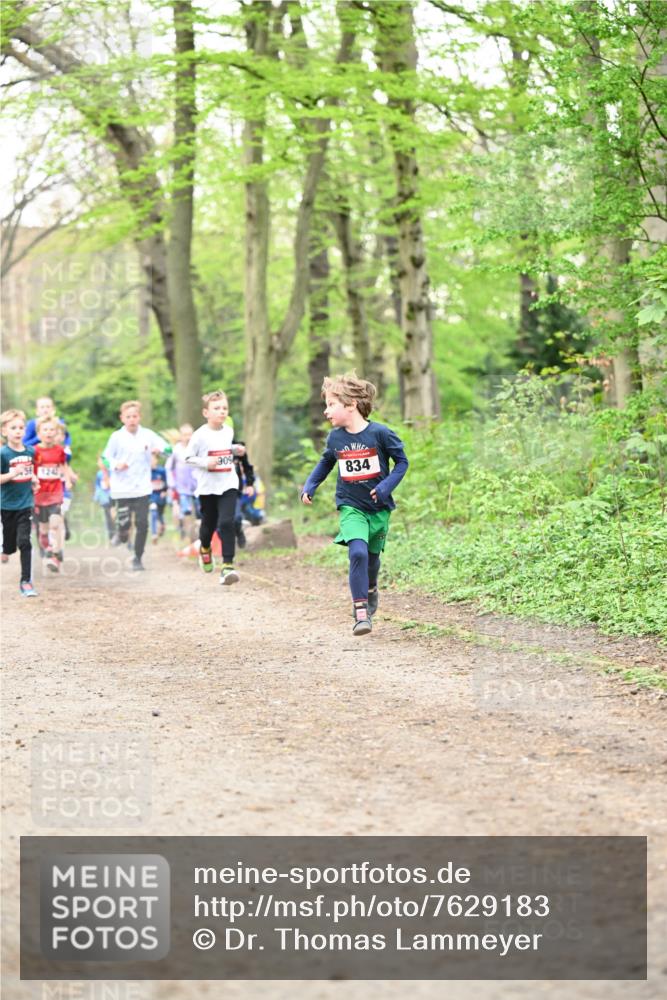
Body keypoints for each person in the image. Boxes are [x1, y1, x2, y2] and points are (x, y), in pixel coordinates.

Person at [301, 373, 408, 636]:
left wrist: (384, 487)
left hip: (378, 509)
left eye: (330, 405)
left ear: (350, 405)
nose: (326, 411)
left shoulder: (381, 433)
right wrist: (310, 485)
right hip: (351, 507)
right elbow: (327, 461)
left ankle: (371, 588)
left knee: (371, 559)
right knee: (357, 553)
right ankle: (361, 612)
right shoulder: (335, 439)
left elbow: (402, 463)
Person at [102, 401, 170, 571]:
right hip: (122, 488)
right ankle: (122, 533)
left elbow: (168, 449)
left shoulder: (148, 435)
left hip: (142, 488)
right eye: (128, 417)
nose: (131, 419)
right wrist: (116, 464)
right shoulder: (116, 437)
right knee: (124, 525)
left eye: (134, 416)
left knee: (142, 524)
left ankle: (138, 557)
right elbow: (105, 458)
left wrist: (159, 451)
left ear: (139, 417)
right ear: (122, 418)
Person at [185, 389, 241, 585]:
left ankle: (227, 566)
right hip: (207, 487)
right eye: (217, 408)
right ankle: (205, 549)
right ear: (206, 413)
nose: (222, 412)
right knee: (208, 526)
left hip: (228, 483)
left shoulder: (229, 430)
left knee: (227, 522)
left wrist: (235, 449)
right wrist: (205, 463)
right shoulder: (199, 435)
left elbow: (225, 449)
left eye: (225, 408)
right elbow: (188, 458)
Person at [0, 409, 39, 596]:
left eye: (21, 427)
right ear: (4, 431)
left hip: (25, 504)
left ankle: (26, 581)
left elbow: (30, 472)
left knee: (25, 541)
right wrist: (12, 474)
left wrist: (34, 480)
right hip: (7, 505)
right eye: (13, 427)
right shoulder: (3, 453)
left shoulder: (31, 451)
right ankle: (5, 548)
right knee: (10, 545)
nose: (18, 431)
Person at [33, 415, 73, 572]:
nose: (49, 433)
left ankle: (54, 555)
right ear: (39, 433)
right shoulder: (34, 451)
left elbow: (63, 466)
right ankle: (48, 547)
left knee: (55, 524)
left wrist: (68, 480)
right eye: (45, 430)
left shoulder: (60, 451)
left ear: (56, 433)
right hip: (39, 495)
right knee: (43, 529)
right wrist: (34, 478)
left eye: (52, 430)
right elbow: (31, 469)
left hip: (56, 494)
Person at [165, 423, 199, 539]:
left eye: (190, 434)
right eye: (185, 435)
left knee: (200, 510)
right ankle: (186, 533)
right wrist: (171, 484)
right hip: (182, 486)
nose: (188, 437)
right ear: (180, 436)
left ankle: (200, 534)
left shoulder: (197, 448)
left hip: (197, 485)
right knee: (186, 511)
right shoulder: (176, 450)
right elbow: (169, 467)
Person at [94, 455, 114, 540]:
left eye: (101, 461)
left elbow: (112, 485)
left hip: (112, 497)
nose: (100, 463)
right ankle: (111, 535)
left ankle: (117, 532)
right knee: (107, 517)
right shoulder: (99, 474)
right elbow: (97, 486)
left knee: (114, 515)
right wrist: (96, 497)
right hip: (104, 499)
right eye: (98, 461)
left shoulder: (111, 472)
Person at [149, 454, 168, 543]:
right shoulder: (146, 472)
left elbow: (166, 482)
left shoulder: (161, 471)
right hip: (151, 497)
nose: (151, 462)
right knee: (153, 512)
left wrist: (165, 491)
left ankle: (163, 525)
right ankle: (154, 534)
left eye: (152, 460)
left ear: (156, 460)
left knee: (159, 514)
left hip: (160, 496)